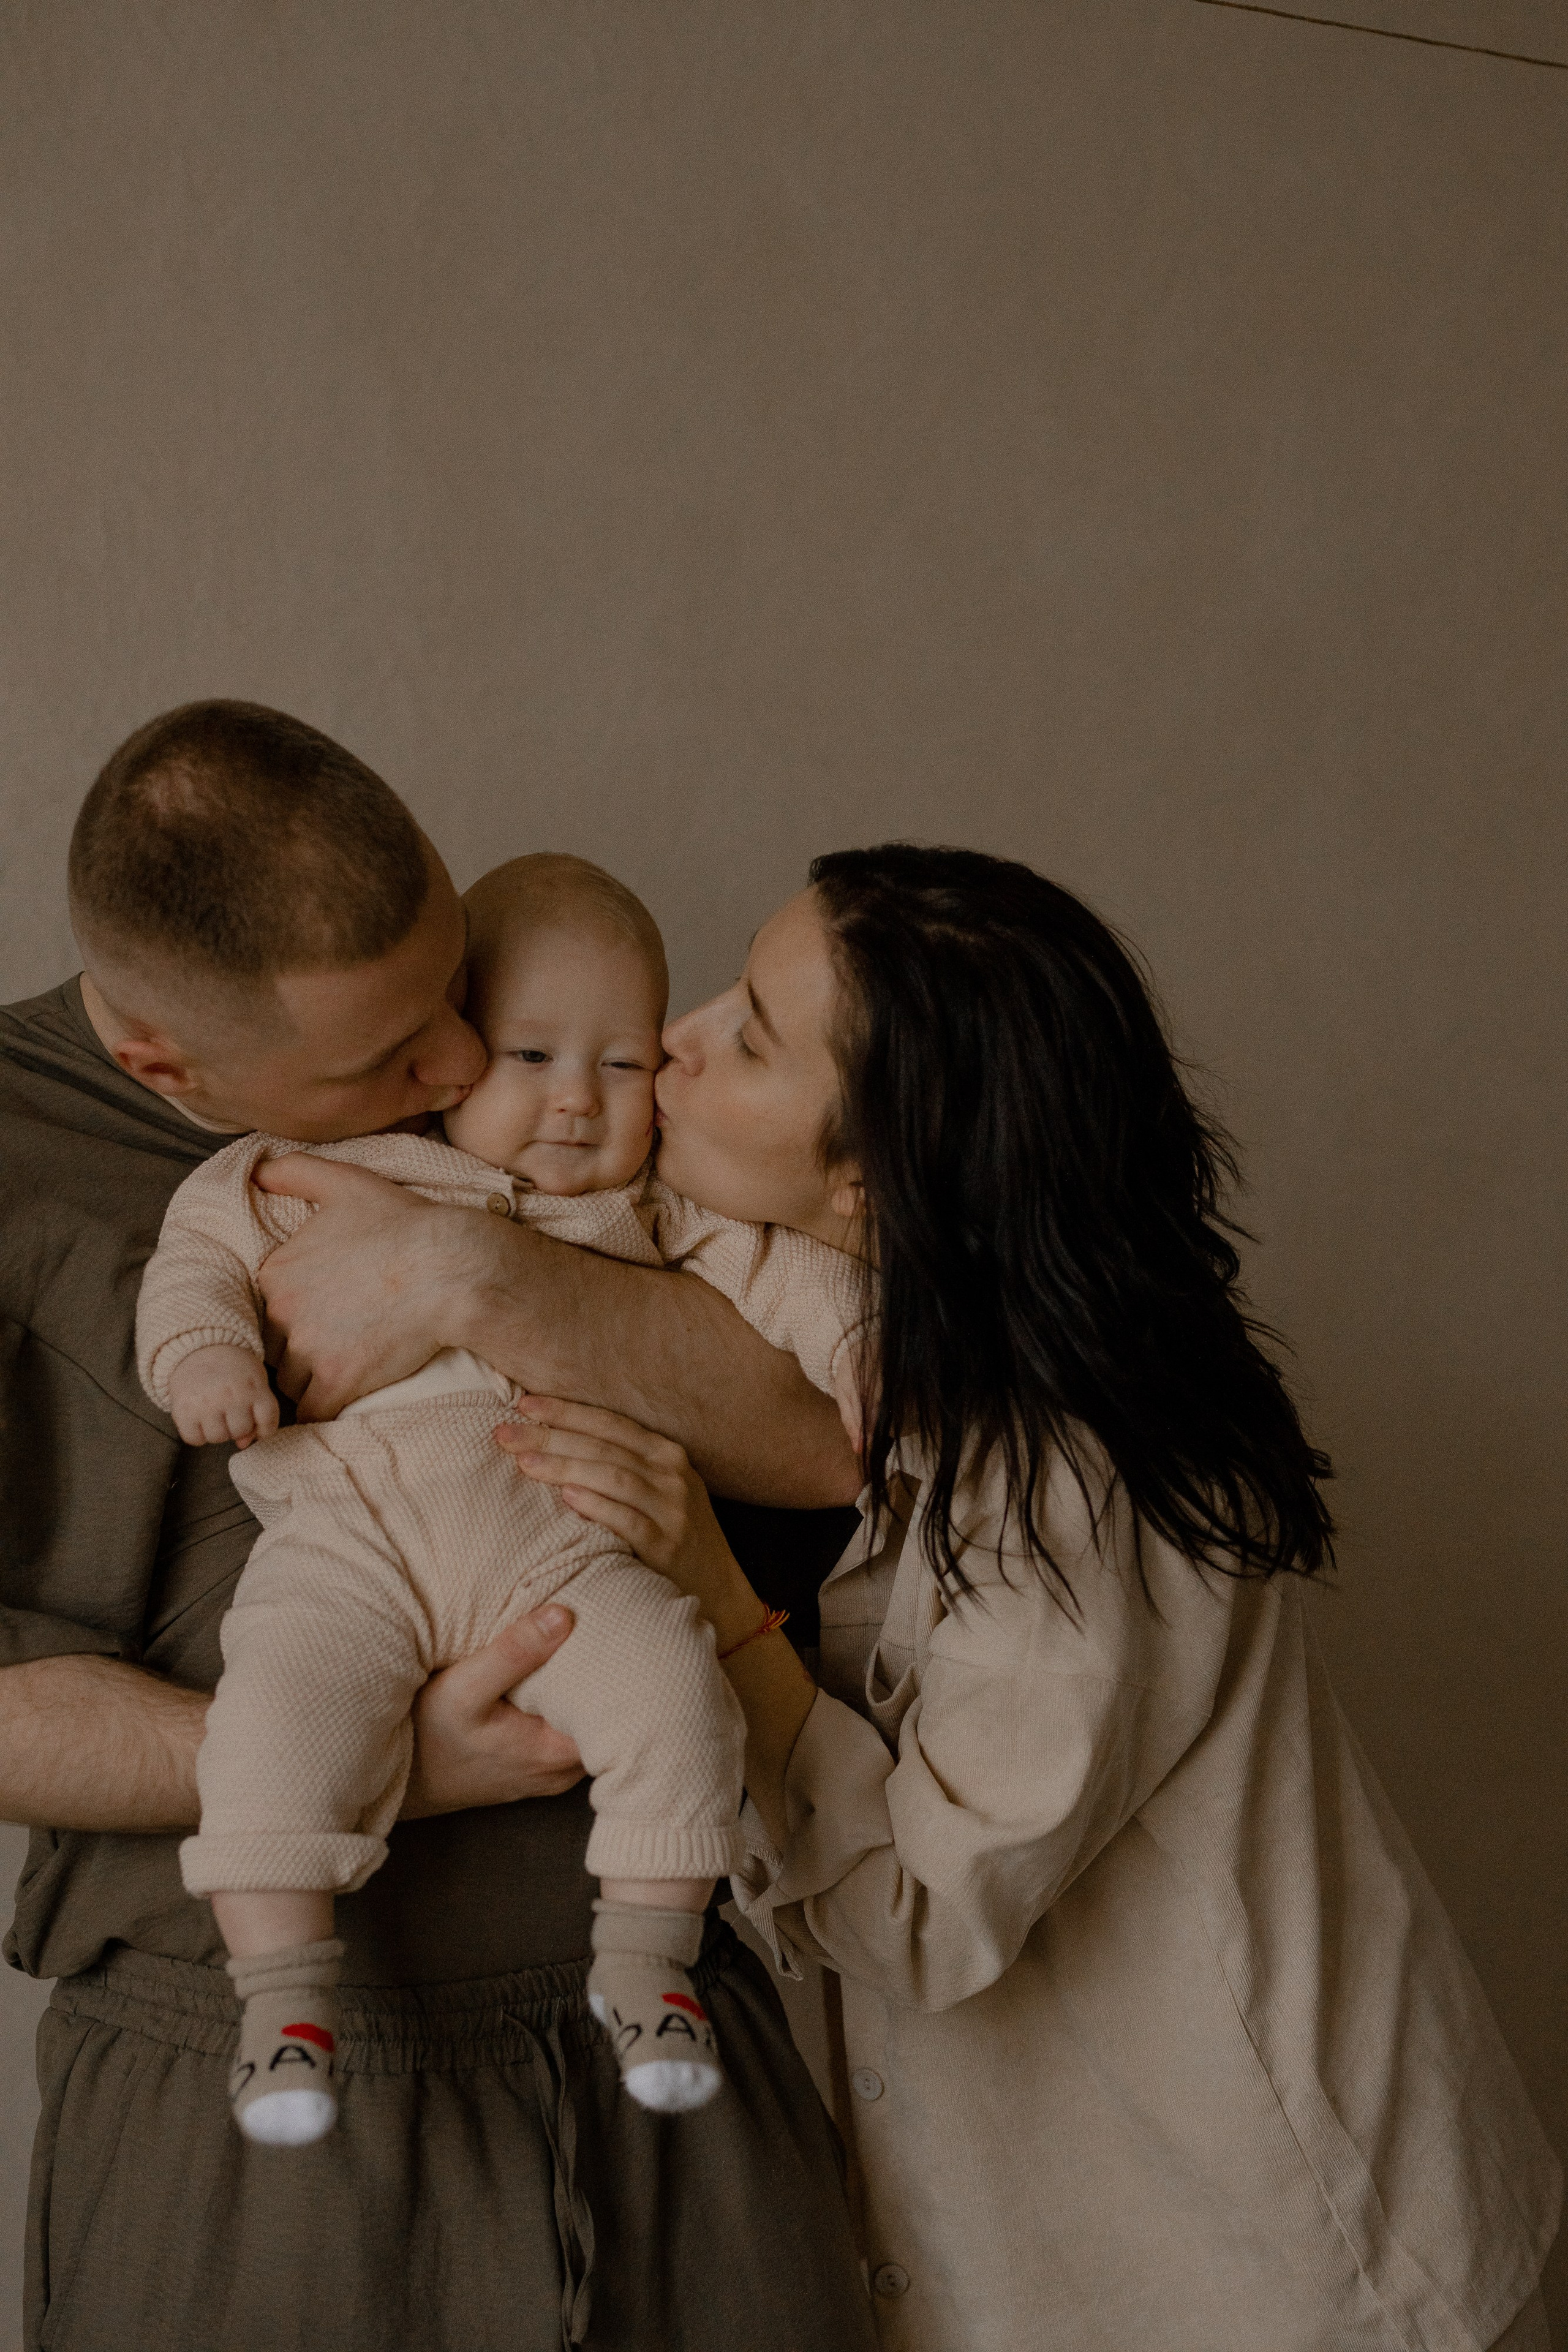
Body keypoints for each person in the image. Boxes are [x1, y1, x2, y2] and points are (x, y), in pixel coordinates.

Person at [459, 846, 1557, 2352]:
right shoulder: (836, 1327)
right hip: (1058, 2260)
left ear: (869, 1174)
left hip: (1279, 2274)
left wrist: (708, 1594)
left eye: (753, 1038)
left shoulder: (1074, 1474)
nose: (680, 1042)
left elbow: (922, 1912)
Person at [0, 701, 875, 2352]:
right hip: (264, 2115)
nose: (467, 1071)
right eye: (396, 1064)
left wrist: (479, 1271)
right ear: (160, 1067)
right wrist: (387, 1752)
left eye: (455, 997)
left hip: (669, 2029)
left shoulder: (527, 1057)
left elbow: (825, 1446)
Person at [136, 845, 863, 2140]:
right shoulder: (330, 1166)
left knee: (676, 1694)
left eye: (624, 1063)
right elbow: (197, 1253)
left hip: (560, 1551)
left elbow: (799, 1283)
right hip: (349, 1547)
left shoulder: (649, 1211)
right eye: (531, 1059)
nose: (578, 1103)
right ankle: (284, 2004)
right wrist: (200, 1356)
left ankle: (646, 1965)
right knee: (274, 1725)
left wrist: (871, 1364)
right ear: (455, 1051)